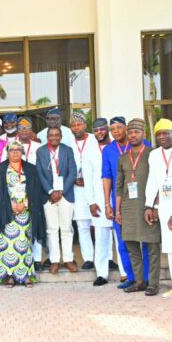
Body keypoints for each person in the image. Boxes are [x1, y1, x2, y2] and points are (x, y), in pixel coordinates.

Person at [0, 140, 46, 287]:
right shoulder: (1, 169)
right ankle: (10, 277)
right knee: (7, 246)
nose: (15, 153)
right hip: (6, 214)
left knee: (24, 244)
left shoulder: (31, 169)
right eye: (11, 150)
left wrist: (24, 204)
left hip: (25, 214)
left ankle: (26, 275)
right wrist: (11, 205)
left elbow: (35, 191)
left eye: (18, 150)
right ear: (7, 153)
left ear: (23, 152)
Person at [115, 119, 162, 296]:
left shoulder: (153, 154)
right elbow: (118, 186)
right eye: (131, 132)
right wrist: (117, 210)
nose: (133, 135)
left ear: (144, 134)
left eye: (137, 132)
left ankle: (154, 283)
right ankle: (140, 281)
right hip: (128, 208)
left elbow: (159, 180)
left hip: (147, 206)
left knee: (152, 246)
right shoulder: (123, 158)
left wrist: (155, 205)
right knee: (131, 246)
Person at [145, 119, 172, 297]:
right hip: (164, 204)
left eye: (166, 133)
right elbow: (152, 181)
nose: (162, 137)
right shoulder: (154, 155)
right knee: (171, 246)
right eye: (159, 134)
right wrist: (150, 204)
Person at [102, 117, 148, 287]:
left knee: (145, 241)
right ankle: (131, 277)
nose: (115, 132)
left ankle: (146, 278)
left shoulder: (144, 145)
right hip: (120, 201)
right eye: (112, 129)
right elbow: (107, 178)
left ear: (126, 128)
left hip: (142, 200)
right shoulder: (108, 150)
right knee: (123, 242)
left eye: (119, 128)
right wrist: (108, 204)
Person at [36, 126, 77, 274]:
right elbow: (39, 173)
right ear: (47, 137)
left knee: (67, 229)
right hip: (48, 197)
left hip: (65, 195)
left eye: (57, 135)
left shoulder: (67, 150)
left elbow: (72, 172)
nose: (54, 137)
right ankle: (54, 260)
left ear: (60, 136)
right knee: (51, 230)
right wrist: (51, 191)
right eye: (51, 135)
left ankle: (68, 259)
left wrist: (61, 192)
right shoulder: (41, 151)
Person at [68, 112, 99, 271]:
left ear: (85, 125)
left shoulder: (95, 139)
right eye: (73, 125)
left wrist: (89, 179)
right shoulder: (68, 142)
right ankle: (88, 258)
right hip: (77, 189)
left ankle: (104, 257)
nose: (76, 128)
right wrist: (72, 179)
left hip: (95, 187)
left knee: (99, 224)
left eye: (78, 124)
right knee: (82, 224)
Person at [86, 118, 114, 285]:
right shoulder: (89, 151)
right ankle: (101, 273)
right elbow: (88, 179)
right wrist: (91, 202)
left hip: (116, 199)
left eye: (102, 129)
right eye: (96, 130)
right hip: (98, 199)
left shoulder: (117, 147)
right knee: (101, 237)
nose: (99, 133)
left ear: (107, 129)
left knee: (121, 238)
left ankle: (126, 273)